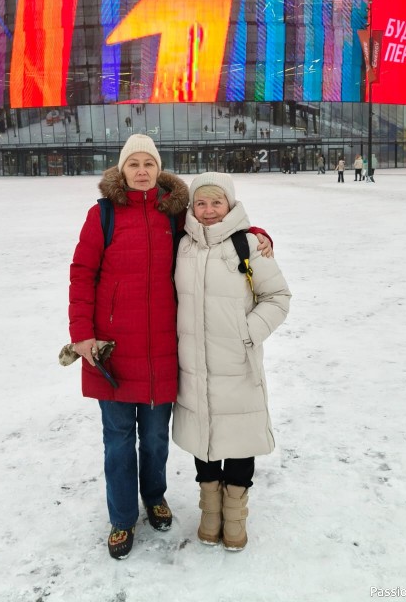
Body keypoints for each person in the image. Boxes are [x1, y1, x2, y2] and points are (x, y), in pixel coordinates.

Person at [67, 136, 273, 560]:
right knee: (119, 440)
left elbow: (213, 230)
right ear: (121, 171)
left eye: (149, 164)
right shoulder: (102, 215)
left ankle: (155, 497)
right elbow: (82, 273)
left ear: (159, 170)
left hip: (164, 351)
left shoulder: (174, 213)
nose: (142, 171)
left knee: (157, 438)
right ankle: (122, 518)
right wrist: (81, 335)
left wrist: (255, 232)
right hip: (112, 349)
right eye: (133, 164)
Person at [172, 173, 291, 551]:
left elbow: (277, 297)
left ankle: (235, 514)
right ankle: (210, 509)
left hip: (237, 362)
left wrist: (247, 333)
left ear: (230, 204)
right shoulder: (181, 244)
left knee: (239, 439)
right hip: (193, 363)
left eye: (216, 203)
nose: (208, 211)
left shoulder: (249, 245)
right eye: (201, 203)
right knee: (203, 437)